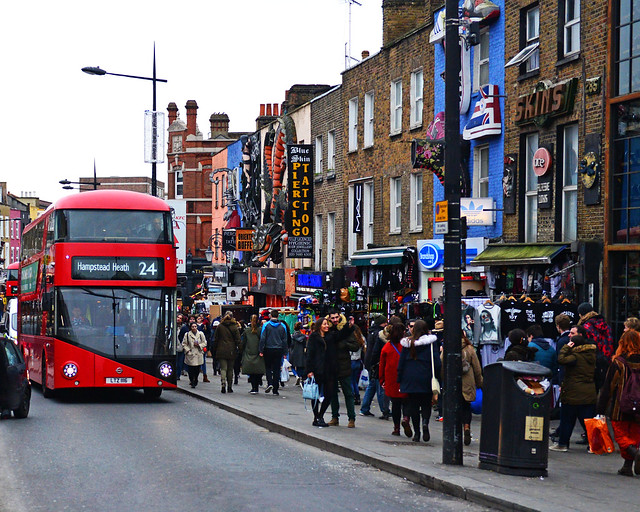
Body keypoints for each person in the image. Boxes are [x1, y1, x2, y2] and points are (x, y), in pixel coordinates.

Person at [596, 329, 640, 476]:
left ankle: (635, 455)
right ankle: (627, 467)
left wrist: (601, 409)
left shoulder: (619, 363)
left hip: (620, 407)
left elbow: (608, 387)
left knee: (621, 436)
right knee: (634, 435)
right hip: (639, 407)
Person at [551, 334, 597, 452]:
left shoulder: (575, 357)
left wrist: (565, 348)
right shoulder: (591, 355)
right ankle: (594, 445)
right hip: (588, 392)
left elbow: (561, 359)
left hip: (573, 392)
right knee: (588, 421)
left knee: (567, 420)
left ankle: (563, 444)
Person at [397, 320, 439, 442]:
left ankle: (417, 433)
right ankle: (425, 422)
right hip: (426, 377)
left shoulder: (408, 344)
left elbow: (401, 363)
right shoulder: (431, 343)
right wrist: (437, 376)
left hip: (410, 378)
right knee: (426, 404)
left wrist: (400, 378)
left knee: (413, 406)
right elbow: (436, 361)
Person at [327, 310, 358, 428]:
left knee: (348, 393)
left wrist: (345, 344)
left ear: (340, 317)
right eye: (332, 318)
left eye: (336, 317)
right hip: (332, 366)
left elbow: (355, 346)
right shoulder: (328, 330)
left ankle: (352, 418)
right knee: (332, 393)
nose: (335, 320)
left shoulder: (347, 330)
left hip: (344, 366)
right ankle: (335, 417)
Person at [380, 321, 410, 438]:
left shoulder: (387, 347)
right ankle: (406, 418)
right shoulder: (406, 345)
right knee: (407, 401)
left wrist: (382, 379)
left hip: (391, 379)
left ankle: (396, 428)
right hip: (405, 377)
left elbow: (382, 365)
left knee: (395, 404)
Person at [577, 302, 614, 391]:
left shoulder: (585, 327)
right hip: (607, 359)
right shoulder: (605, 325)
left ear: (581, 314)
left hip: (593, 361)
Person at [360, 315, 391, 419]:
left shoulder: (371, 332)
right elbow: (377, 351)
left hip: (370, 362)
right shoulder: (380, 334)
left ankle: (364, 408)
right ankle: (384, 409)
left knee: (372, 386)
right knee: (379, 387)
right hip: (376, 363)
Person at [305, 317, 333, 428]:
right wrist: (309, 370)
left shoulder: (330, 336)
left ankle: (320, 415)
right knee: (315, 394)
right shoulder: (313, 337)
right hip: (317, 369)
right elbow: (309, 354)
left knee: (329, 394)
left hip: (328, 369)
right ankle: (316, 417)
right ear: (319, 325)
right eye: (324, 324)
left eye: (327, 324)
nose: (327, 326)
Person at [459, 330, 483, 445]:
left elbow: (443, 363)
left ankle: (456, 431)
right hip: (467, 381)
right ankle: (467, 426)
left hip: (454, 382)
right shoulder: (469, 349)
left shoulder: (448, 347)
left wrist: (443, 379)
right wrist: (480, 383)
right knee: (466, 406)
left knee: (455, 407)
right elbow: (477, 368)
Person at [259, 309, 289, 395]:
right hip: (278, 349)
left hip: (268, 349)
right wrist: (285, 352)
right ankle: (275, 389)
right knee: (276, 369)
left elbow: (263, 338)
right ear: (278, 316)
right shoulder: (282, 326)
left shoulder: (266, 325)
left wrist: (261, 350)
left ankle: (270, 383)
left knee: (268, 367)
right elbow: (284, 340)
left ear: (270, 316)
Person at [213, 312, 241, 393]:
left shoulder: (220, 326)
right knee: (230, 369)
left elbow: (216, 339)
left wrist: (214, 350)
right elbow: (238, 340)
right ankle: (229, 386)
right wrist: (240, 349)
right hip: (231, 350)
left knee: (223, 368)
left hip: (221, 349)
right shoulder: (234, 327)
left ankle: (223, 382)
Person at [241, 314, 266, 394]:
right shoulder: (260, 330)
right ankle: (257, 384)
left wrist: (241, 350)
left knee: (251, 371)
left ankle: (254, 388)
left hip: (249, 352)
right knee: (258, 370)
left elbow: (243, 342)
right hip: (258, 353)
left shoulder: (247, 331)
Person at [182, 322, 207, 388]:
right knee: (191, 369)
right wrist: (188, 351)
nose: (194, 328)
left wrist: (199, 345)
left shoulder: (201, 334)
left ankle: (195, 379)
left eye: (195, 326)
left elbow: (204, 342)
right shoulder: (187, 334)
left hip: (198, 353)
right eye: (193, 326)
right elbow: (184, 344)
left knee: (197, 369)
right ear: (190, 327)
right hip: (191, 354)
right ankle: (191, 380)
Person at [350, 325, 366, 406]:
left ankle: (353, 396)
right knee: (355, 381)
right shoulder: (361, 338)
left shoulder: (352, 339)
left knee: (350, 381)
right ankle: (357, 397)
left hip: (351, 360)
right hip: (358, 361)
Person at [289, 321, 307, 386]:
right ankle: (301, 377)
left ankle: (296, 375)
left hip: (293, 352)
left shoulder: (292, 336)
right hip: (301, 352)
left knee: (292, 365)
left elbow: (291, 345)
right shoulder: (303, 337)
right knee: (300, 366)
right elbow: (305, 345)